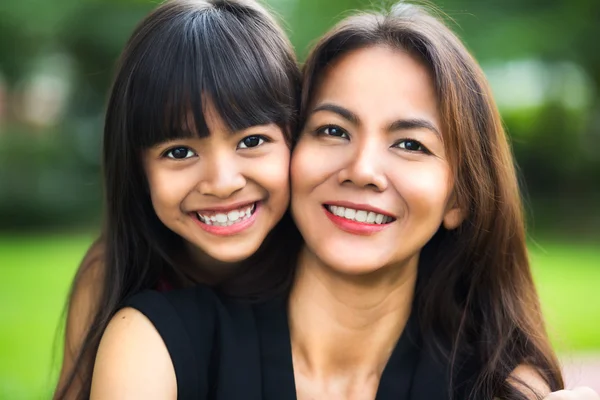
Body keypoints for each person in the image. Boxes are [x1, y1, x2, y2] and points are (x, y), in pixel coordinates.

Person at [90, 3, 600, 400]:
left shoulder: (497, 384)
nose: (361, 170)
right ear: (293, 150)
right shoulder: (155, 345)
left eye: (410, 144)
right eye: (333, 130)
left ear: (459, 198)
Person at [54, 0, 302, 398]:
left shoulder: (321, 268)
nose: (222, 183)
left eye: (252, 141)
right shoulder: (107, 276)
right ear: (137, 167)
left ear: (295, 137)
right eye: (179, 152)